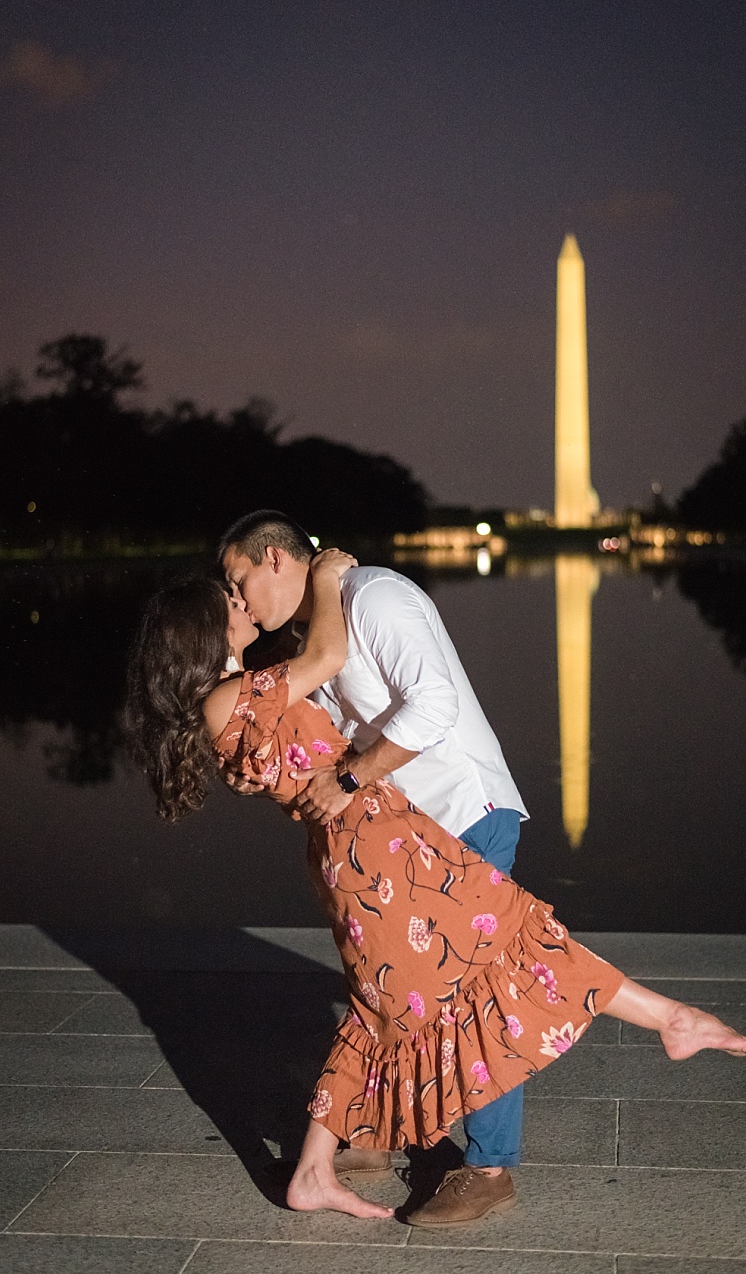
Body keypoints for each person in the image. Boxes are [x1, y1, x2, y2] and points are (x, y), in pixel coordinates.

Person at [123, 548, 746, 1226]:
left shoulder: (237, 696)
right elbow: (328, 660)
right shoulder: (237, 694)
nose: (240, 602)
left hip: (370, 848)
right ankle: (667, 1021)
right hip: (380, 851)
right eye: (226, 599)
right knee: (511, 943)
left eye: (236, 586)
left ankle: (317, 1165)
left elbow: (305, 726)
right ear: (204, 630)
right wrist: (326, 579)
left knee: (384, 1008)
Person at [215, 510, 538, 1222]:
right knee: (387, 985)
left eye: (239, 579)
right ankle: (373, 1129)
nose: (236, 596)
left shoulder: (377, 597)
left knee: (476, 992)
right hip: (406, 839)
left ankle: (489, 1165)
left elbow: (435, 706)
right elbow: (315, 732)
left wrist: (353, 777)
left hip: (465, 810)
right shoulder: (322, 627)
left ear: (274, 557)